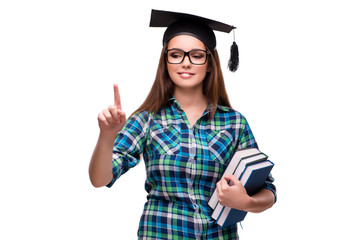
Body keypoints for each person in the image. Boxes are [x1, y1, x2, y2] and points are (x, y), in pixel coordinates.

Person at [89, 9, 276, 239]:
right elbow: (100, 179)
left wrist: (246, 201)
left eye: (196, 55)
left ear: (209, 63)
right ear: (165, 60)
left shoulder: (234, 123)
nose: (185, 63)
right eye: (176, 54)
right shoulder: (147, 119)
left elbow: (267, 191)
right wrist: (107, 136)